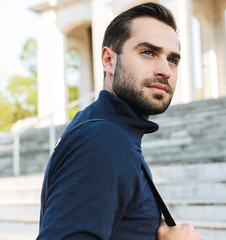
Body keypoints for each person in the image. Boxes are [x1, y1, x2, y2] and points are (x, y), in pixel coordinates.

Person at [37, 2, 202, 240]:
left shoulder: (106, 129)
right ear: (108, 60)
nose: (165, 70)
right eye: (148, 52)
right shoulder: (103, 140)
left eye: (173, 59)